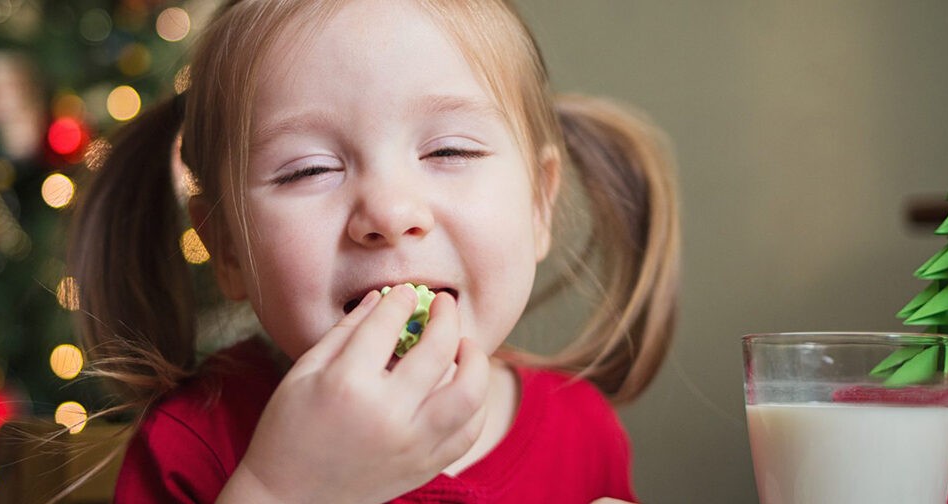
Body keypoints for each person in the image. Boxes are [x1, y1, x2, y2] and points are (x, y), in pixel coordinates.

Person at [69, 0, 680, 502]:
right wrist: (281, 491)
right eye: (309, 169)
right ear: (225, 246)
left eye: (450, 152)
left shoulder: (585, 434)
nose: (389, 214)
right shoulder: (192, 445)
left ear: (539, 205)